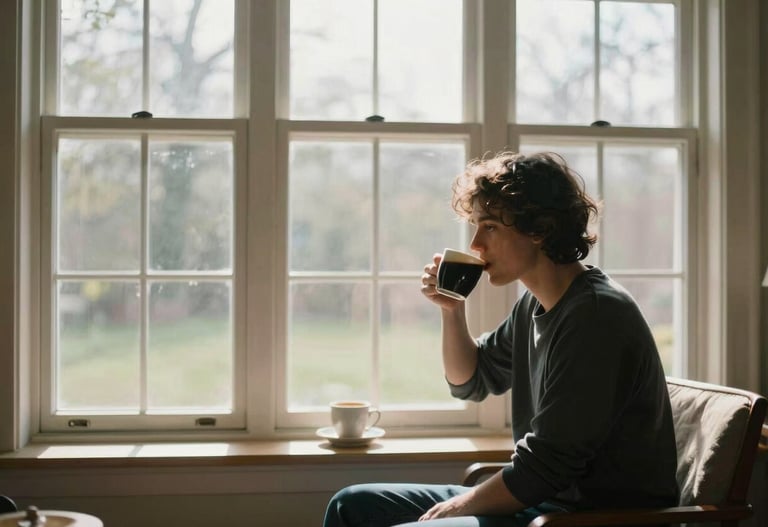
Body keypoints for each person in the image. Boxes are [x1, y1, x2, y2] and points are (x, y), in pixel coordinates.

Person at [322, 151, 679, 527]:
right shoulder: (533, 305)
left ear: (540, 229)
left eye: (489, 227)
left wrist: (458, 507)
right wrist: (452, 309)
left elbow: (547, 466)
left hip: (587, 517)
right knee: (351, 505)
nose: (476, 244)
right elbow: (471, 380)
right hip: (540, 502)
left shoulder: (595, 315)